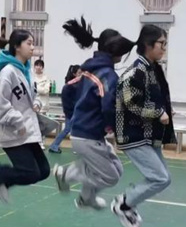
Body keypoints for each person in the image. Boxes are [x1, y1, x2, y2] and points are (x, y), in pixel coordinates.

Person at [52, 19, 133, 212]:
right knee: (110, 177)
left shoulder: (89, 70)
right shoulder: (107, 75)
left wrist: (72, 117)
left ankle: (87, 198)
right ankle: (67, 175)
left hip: (87, 134)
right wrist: (115, 129)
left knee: (117, 169)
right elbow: (109, 107)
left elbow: (68, 88)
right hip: (87, 137)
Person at [112, 25, 175, 227]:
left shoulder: (153, 69)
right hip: (132, 134)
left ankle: (127, 202)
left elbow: (153, 98)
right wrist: (158, 113)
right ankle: (123, 204)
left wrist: (165, 110)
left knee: (164, 178)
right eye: (161, 43)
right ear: (148, 45)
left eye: (165, 43)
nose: (164, 48)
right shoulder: (136, 71)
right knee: (160, 178)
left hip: (149, 134)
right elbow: (130, 102)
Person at [0, 29, 49, 203]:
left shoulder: (27, 71)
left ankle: (4, 182)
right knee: (31, 173)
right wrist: (18, 121)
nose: (32, 47)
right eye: (29, 43)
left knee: (44, 171)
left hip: (28, 129)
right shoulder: (8, 72)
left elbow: (33, 95)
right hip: (13, 131)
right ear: (17, 47)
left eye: (33, 44)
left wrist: (37, 103)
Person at [48, 64, 81, 154]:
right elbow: (67, 103)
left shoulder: (76, 86)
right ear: (74, 74)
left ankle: (55, 146)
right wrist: (71, 113)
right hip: (71, 113)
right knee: (68, 129)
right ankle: (54, 145)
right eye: (79, 73)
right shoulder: (70, 86)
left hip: (75, 112)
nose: (81, 75)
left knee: (72, 130)